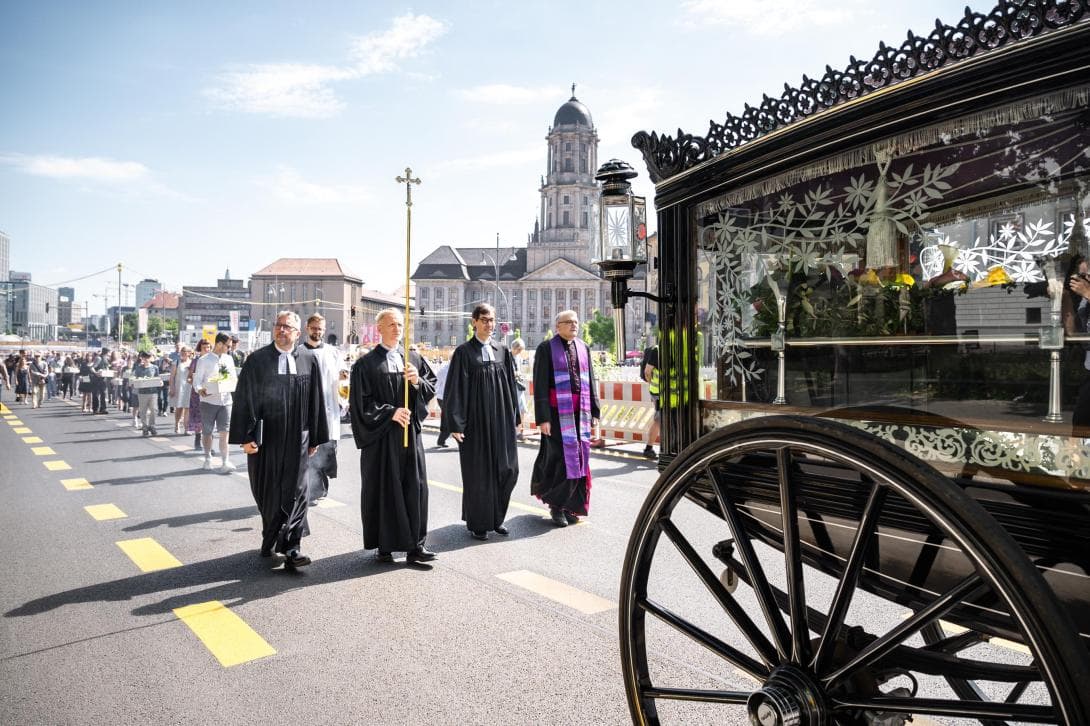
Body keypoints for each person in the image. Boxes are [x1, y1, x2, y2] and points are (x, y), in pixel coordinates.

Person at [229, 311, 329, 568]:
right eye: (278, 325)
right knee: (269, 491)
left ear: (298, 333)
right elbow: (245, 399)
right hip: (267, 439)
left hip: (299, 439)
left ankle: (292, 546)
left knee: (298, 490)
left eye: (287, 327)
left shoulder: (308, 359)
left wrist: (316, 435)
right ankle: (271, 536)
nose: (282, 330)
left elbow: (316, 399)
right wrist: (246, 437)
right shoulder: (257, 360)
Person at [349, 308, 438, 564]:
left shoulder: (412, 357)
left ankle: (416, 545)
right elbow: (360, 404)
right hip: (382, 439)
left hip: (410, 434)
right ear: (379, 328)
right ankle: (385, 545)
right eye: (391, 324)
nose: (397, 329)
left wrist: (418, 381)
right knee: (385, 489)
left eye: (400, 324)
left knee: (415, 487)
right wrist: (390, 412)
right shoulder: (365, 364)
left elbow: (431, 387)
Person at [442, 303, 520, 541]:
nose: (489, 324)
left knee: (507, 469)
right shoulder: (464, 352)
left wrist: (515, 416)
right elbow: (455, 388)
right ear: (474, 322)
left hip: (501, 421)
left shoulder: (502, 351)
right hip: (475, 423)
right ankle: (479, 523)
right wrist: (456, 424)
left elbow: (510, 385)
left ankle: (497, 519)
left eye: (492, 320)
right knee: (479, 474)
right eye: (484, 319)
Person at [530, 310, 600, 527]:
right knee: (561, 459)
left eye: (576, 322)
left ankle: (571, 506)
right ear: (557, 326)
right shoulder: (545, 348)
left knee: (580, 459)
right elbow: (540, 382)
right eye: (568, 322)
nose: (573, 326)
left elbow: (592, 380)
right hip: (556, 414)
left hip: (581, 412)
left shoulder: (583, 347)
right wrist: (543, 418)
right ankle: (556, 506)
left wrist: (595, 412)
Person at [301, 313, 341, 505]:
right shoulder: (298, 352)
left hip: (330, 407)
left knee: (328, 450)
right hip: (308, 409)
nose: (317, 331)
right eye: (314, 328)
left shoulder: (333, 352)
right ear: (307, 328)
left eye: (320, 329)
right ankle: (312, 489)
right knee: (311, 451)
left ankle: (321, 487)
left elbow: (341, 378)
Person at [191, 333, 238, 472]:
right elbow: (197, 381)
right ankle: (207, 459)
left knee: (225, 432)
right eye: (228, 346)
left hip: (226, 401)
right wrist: (200, 390)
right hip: (208, 401)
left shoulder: (229, 359)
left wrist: (233, 383)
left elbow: (233, 378)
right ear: (219, 344)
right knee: (208, 431)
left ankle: (225, 461)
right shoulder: (204, 360)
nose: (229, 348)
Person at [639, 341, 660, 460]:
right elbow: (647, 371)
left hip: (664, 392)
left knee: (660, 419)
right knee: (659, 419)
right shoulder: (657, 350)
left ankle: (649, 447)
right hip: (659, 392)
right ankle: (648, 448)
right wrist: (651, 383)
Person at [131, 351, 160, 436]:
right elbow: (136, 378)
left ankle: (152, 425)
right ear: (142, 358)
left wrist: (160, 382)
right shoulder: (138, 368)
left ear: (150, 358)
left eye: (148, 357)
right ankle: (144, 426)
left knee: (154, 410)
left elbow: (157, 378)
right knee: (143, 410)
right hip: (142, 392)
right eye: (145, 357)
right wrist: (134, 382)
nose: (146, 359)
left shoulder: (155, 367)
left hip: (153, 392)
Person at [170, 346, 194, 434]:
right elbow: (172, 377)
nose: (183, 353)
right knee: (179, 408)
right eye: (182, 351)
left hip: (189, 387)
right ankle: (177, 424)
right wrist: (172, 387)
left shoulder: (192, 363)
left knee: (188, 408)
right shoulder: (176, 362)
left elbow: (194, 375)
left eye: (185, 351)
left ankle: (187, 428)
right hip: (179, 387)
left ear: (189, 353)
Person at [510, 337, 530, 442]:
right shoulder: (507, 356)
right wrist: (515, 374)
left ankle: (519, 431)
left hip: (518, 388)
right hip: (512, 388)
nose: (520, 351)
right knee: (514, 410)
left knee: (522, 409)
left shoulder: (517, 357)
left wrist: (519, 375)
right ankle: (514, 431)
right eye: (519, 349)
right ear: (515, 347)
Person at [433, 358, 451, 448]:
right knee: (449, 419)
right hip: (443, 398)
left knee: (448, 419)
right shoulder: (444, 370)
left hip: (448, 398)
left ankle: (441, 440)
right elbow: (436, 384)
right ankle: (441, 439)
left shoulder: (456, 369)